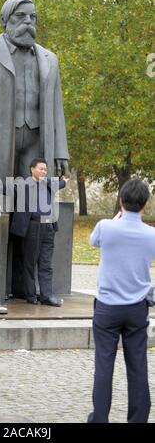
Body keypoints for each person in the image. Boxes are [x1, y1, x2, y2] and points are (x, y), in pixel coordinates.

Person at [0, 0, 69, 181]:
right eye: (20, 16)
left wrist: (61, 151)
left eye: (32, 17)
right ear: (4, 20)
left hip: (36, 142)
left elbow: (56, 108)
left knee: (33, 202)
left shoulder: (49, 59)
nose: (28, 21)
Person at [88, 178, 155, 423]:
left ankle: (100, 417)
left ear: (120, 201)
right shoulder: (152, 234)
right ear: (145, 205)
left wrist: (117, 218)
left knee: (104, 365)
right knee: (138, 365)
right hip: (137, 307)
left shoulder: (106, 227)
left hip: (107, 307)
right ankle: (138, 419)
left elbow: (92, 241)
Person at [0, 158, 67, 306]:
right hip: (32, 228)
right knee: (29, 263)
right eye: (41, 169)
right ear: (32, 169)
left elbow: (61, 183)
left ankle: (47, 296)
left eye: (45, 169)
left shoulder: (49, 184)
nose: (44, 172)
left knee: (46, 264)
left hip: (49, 228)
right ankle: (31, 296)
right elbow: (6, 188)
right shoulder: (23, 184)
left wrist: (64, 181)